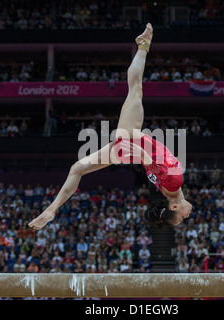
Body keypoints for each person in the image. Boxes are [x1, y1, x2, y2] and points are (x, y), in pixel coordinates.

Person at [29, 24, 192, 231]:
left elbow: (149, 161)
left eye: (182, 218)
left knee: (135, 88)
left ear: (175, 206)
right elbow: (154, 168)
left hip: (131, 139)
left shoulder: (174, 183)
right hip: (127, 148)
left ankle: (144, 44)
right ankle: (51, 210)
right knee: (77, 169)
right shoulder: (169, 191)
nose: (187, 216)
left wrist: (133, 146)